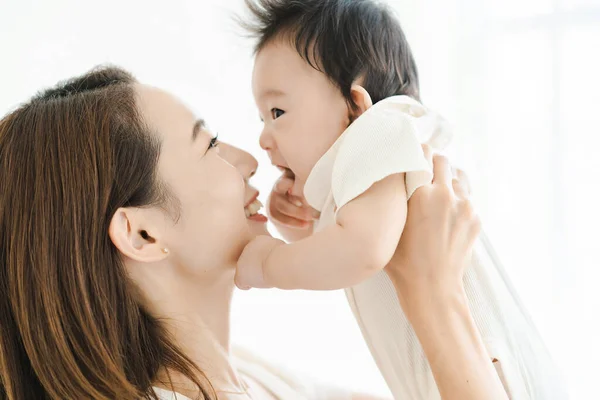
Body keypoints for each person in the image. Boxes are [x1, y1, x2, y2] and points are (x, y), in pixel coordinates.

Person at [0, 66, 507, 399]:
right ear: (143, 235)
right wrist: (434, 295)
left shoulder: (242, 377)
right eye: (210, 146)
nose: (247, 160)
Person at [235, 1, 567, 399]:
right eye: (262, 118)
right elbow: (341, 256)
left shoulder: (382, 128)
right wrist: (298, 225)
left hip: (498, 379)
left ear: (355, 106)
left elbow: (362, 250)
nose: (263, 138)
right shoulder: (365, 179)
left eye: (278, 111)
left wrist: (266, 264)